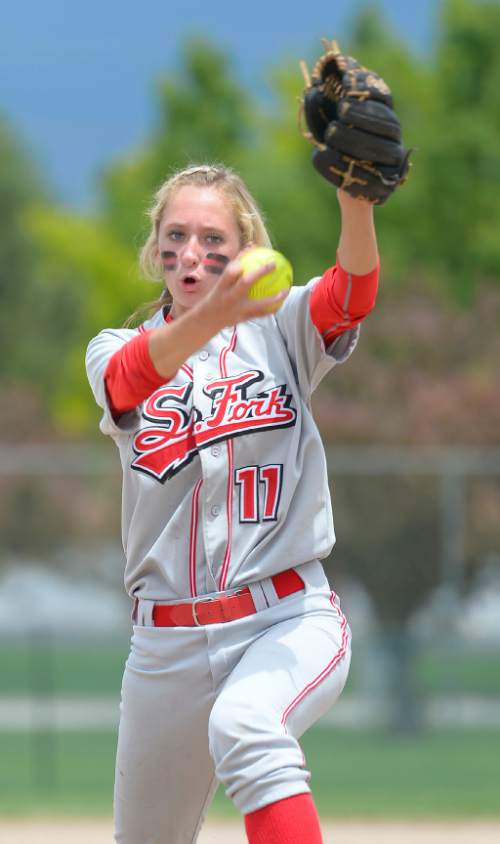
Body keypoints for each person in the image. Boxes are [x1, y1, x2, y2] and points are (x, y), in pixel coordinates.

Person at [85, 163, 379, 844]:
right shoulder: (113, 351)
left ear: (246, 248)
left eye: (212, 237)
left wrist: (356, 203)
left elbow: (351, 294)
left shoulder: (281, 328)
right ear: (154, 246)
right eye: (176, 234)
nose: (191, 253)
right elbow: (132, 380)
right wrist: (217, 309)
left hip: (285, 619)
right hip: (164, 646)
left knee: (247, 725)